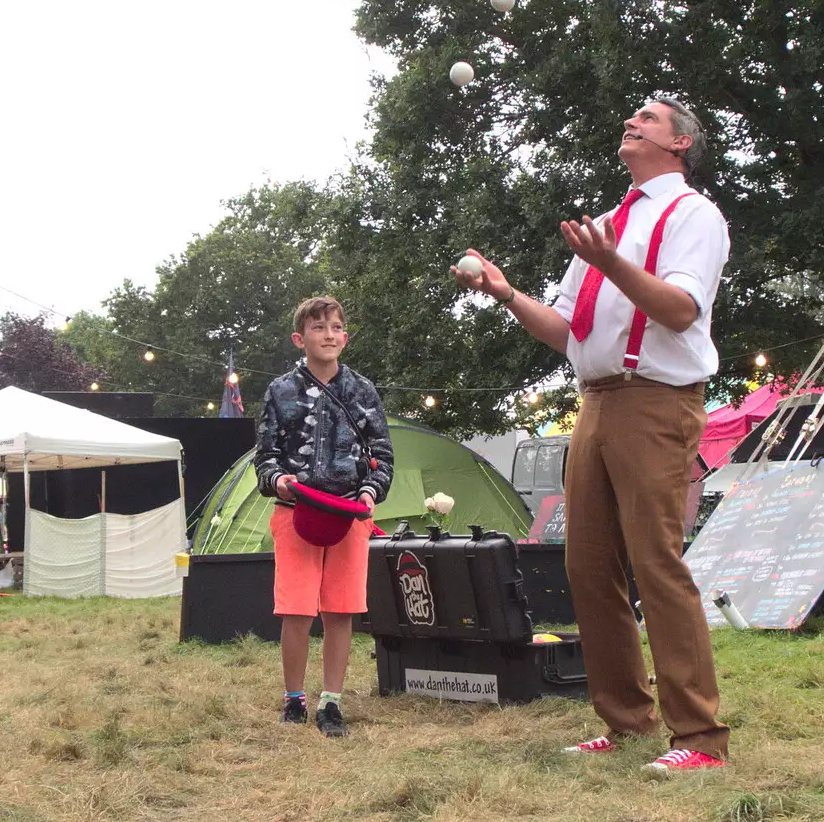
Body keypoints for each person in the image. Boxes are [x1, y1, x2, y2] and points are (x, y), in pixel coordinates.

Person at [452, 96, 731, 773]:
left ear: (680, 143)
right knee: (587, 565)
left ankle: (699, 737)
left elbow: (681, 308)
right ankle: (627, 720)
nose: (630, 121)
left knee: (657, 564)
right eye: (630, 114)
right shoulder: (607, 223)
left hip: (658, 402)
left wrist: (612, 266)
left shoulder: (694, 215)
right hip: (596, 401)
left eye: (648, 117)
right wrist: (506, 292)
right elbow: (568, 331)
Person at [255, 296, 393, 739]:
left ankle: (331, 702)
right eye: (318, 328)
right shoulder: (279, 391)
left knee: (341, 611)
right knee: (295, 611)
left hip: (350, 517)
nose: (329, 335)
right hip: (295, 514)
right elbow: (265, 458)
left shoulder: (364, 391)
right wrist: (277, 480)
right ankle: (293, 698)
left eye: (335, 327)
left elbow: (383, 457)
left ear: (345, 338)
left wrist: (372, 491)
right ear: (300, 338)